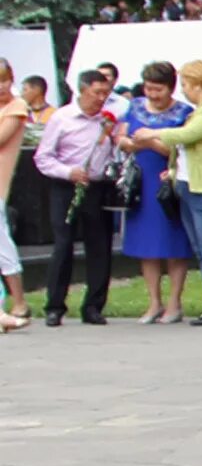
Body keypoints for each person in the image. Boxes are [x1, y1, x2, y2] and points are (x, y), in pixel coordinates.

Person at [133, 60, 202, 326]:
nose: (183, 91)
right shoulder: (200, 110)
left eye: (185, 85)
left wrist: (151, 133)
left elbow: (187, 135)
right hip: (189, 185)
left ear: (197, 84)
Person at [35, 69, 119, 326]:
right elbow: (43, 157)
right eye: (96, 93)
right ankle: (55, 305)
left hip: (96, 187)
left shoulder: (108, 120)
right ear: (81, 91)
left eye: (105, 93)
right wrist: (67, 172)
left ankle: (93, 305)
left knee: (99, 246)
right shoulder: (62, 118)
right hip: (66, 185)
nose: (101, 98)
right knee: (64, 244)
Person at [114, 61, 195, 324]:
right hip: (141, 181)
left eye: (158, 89)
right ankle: (153, 302)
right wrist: (129, 143)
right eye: (148, 88)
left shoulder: (184, 112)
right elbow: (122, 137)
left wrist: (149, 141)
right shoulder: (135, 106)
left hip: (169, 180)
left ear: (170, 88)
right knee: (146, 245)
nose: (152, 94)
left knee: (174, 244)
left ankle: (174, 302)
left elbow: (180, 148)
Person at [0, 60, 27, 327]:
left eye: (4, 80)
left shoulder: (16, 107)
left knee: (2, 244)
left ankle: (19, 301)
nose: (0, 86)